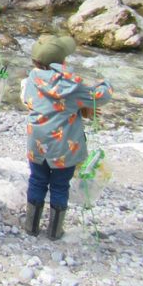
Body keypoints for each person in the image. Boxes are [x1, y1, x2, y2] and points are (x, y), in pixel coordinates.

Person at [22, 35, 112, 240]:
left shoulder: (32, 78)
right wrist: (105, 83)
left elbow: (28, 101)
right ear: (62, 61)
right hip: (65, 148)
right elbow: (100, 97)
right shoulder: (73, 85)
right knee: (60, 186)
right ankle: (55, 231)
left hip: (37, 144)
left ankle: (31, 226)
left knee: (36, 180)